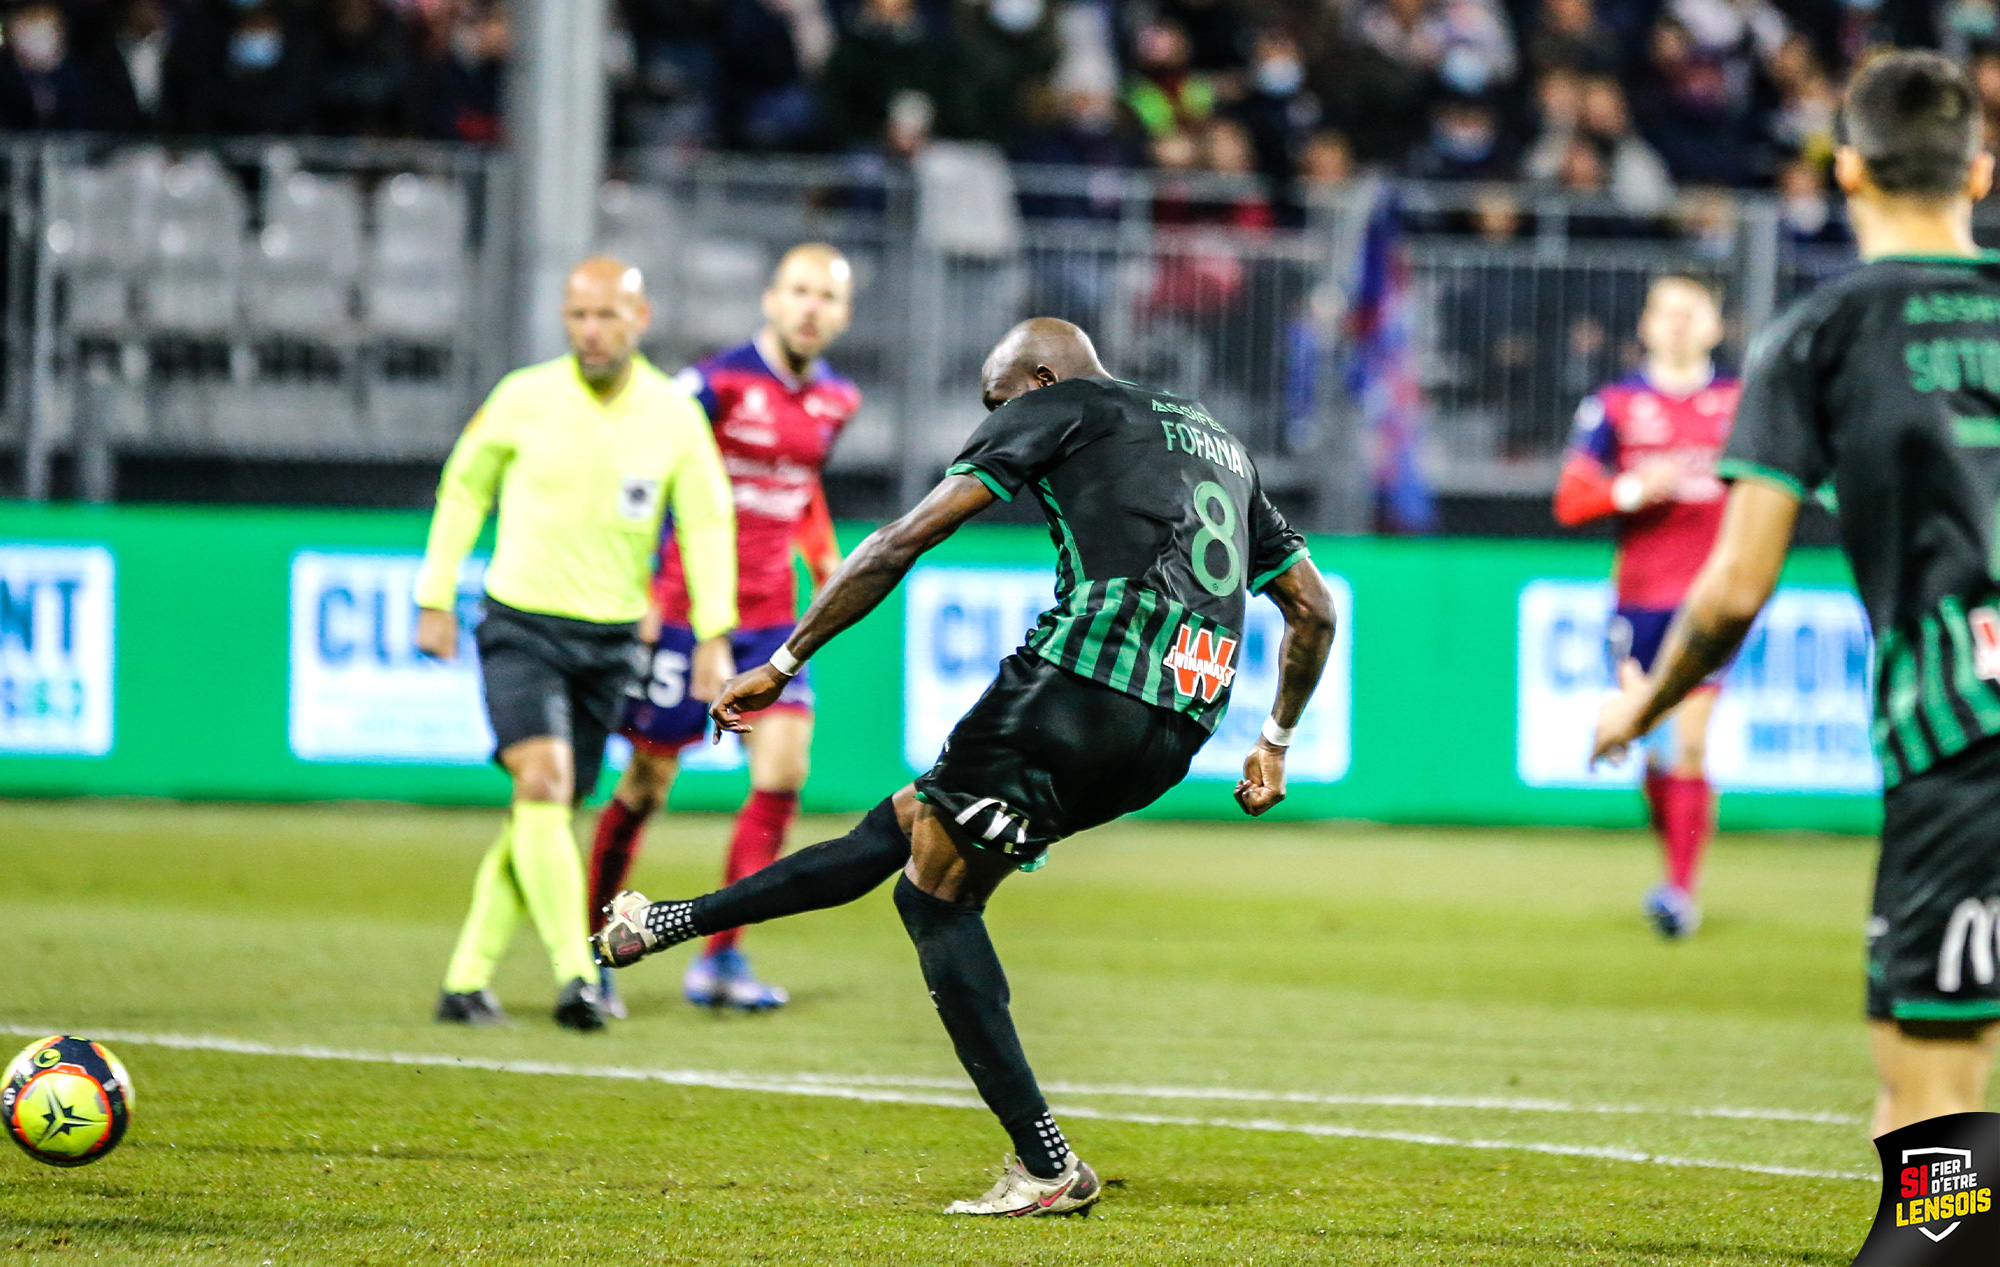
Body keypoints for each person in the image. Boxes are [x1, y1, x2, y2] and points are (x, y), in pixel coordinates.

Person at [594, 318, 1336, 1215]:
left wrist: (784, 660)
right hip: (1178, 731)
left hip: (1078, 684)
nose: (992, 416)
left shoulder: (1058, 401)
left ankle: (1048, 1162)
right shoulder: (1218, 439)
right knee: (912, 820)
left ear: (1038, 373)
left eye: (996, 400)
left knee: (934, 894)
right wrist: (1278, 738)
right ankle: (667, 923)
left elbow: (901, 542)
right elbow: (1312, 608)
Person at [1594, 51, 2000, 1135]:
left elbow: (1732, 591)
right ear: (1977, 173)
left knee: (1928, 1102)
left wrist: (1639, 704)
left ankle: (1940, 1249)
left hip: (1965, 737)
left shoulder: (1816, 337)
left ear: (1847, 171)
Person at [416, 258, 737, 1032]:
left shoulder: (671, 414)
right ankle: (577, 973)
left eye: (606, 316)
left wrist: (714, 633)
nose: (590, 331)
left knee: (546, 808)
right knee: (544, 782)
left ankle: (465, 981)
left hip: (611, 641)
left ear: (640, 318)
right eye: (577, 316)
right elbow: (464, 488)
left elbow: (704, 520)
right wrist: (434, 594)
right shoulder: (523, 397)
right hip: (520, 626)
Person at [587, 243, 859, 1015]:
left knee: (783, 774)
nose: (811, 307)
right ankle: (592, 949)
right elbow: (650, 472)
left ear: (842, 314)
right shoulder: (713, 384)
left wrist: (821, 550)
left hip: (773, 620)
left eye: (827, 296)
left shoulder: (837, 400)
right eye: (799, 291)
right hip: (683, 612)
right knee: (647, 783)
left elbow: (800, 487)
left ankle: (720, 959)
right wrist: (643, 583)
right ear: (771, 299)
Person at [1555, 275, 1738, 938]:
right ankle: (1672, 865)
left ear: (1718, 325)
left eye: (1694, 310)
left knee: (1688, 742)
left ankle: (1680, 893)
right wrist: (1633, 489)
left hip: (1716, 601)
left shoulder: (1742, 403)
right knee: (1655, 748)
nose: (1681, 322)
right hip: (1638, 604)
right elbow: (1571, 500)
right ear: (1646, 325)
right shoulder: (1615, 406)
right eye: (1667, 310)